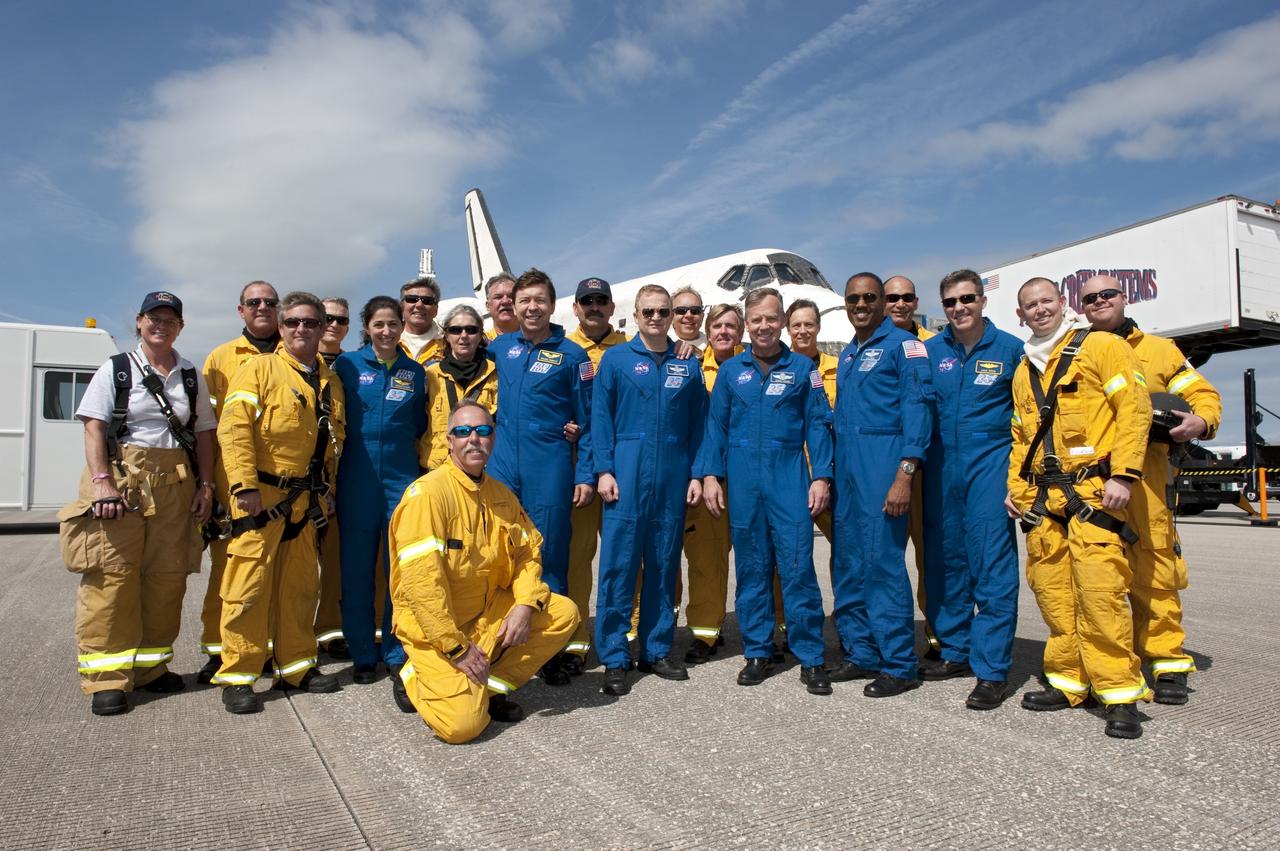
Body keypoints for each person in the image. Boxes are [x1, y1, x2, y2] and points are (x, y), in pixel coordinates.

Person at [1007, 277, 1152, 739]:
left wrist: (1124, 474)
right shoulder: (1024, 368)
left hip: (1093, 494)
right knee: (1054, 595)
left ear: (1062, 304)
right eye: (1030, 305)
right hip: (1044, 501)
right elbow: (1021, 437)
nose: (1039, 310)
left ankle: (1119, 694)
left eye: (1046, 301)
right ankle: (1069, 681)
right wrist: (1016, 489)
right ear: (1021, 314)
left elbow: (1134, 408)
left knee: (1101, 593)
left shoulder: (1102, 347)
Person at [60, 291, 215, 716]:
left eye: (170, 319)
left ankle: (150, 669)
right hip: (122, 481)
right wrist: (102, 483)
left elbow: (203, 433)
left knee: (167, 578)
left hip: (175, 486)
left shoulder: (189, 374)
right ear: (139, 321)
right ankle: (107, 680)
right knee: (113, 578)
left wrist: (206, 486)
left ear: (180, 326)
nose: (161, 325)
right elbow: (93, 428)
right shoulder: (117, 368)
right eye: (154, 318)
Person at [388, 401, 580, 743]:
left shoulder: (501, 495)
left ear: (493, 439)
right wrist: (455, 648)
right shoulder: (428, 495)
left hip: (484, 617)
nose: (473, 439)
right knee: (462, 728)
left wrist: (524, 604)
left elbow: (527, 555)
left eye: (483, 430)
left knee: (562, 613)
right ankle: (414, 675)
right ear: (448, 440)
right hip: (437, 631)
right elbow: (422, 586)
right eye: (463, 432)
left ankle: (488, 690)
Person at [1079, 273, 1220, 706]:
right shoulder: (1076, 352)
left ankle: (1166, 660)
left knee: (1155, 570)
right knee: (1095, 580)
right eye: (1090, 298)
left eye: (1107, 294)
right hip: (1090, 484)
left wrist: (1200, 421)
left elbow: (1200, 394)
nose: (1099, 301)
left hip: (1147, 482)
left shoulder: (1159, 351)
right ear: (1081, 307)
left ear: (1124, 298)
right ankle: (1108, 664)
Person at [213, 291, 347, 713]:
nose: (301, 330)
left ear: (323, 326)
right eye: (292, 323)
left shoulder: (332, 380)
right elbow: (233, 430)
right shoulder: (259, 369)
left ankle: (297, 666)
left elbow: (333, 446)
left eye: (310, 322)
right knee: (248, 588)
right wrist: (243, 487)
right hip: (260, 498)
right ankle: (240, 674)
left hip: (305, 501)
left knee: (301, 586)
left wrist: (327, 492)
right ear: (281, 326)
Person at [697, 288, 833, 696]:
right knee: (753, 569)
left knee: (797, 568)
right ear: (746, 322)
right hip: (742, 480)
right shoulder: (730, 372)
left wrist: (821, 476)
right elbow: (715, 428)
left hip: (788, 475)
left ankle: (810, 655)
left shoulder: (802, 369)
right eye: (756, 319)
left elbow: (817, 425)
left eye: (771, 318)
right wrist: (709, 476)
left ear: (782, 322)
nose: (764, 326)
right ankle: (757, 650)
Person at [594, 286, 707, 696]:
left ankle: (656, 649)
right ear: (636, 315)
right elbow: (600, 419)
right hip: (625, 474)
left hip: (672, 477)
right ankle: (613, 655)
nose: (657, 318)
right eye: (649, 312)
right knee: (618, 568)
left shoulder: (688, 364)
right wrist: (603, 470)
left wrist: (696, 474)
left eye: (665, 311)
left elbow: (700, 425)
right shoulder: (616, 360)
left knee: (662, 566)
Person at [920, 270, 1024, 710]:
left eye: (966, 299)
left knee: (991, 568)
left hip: (990, 465)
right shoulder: (928, 352)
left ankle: (992, 670)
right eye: (950, 302)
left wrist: (1020, 479)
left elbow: (1030, 417)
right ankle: (956, 650)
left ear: (982, 300)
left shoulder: (1011, 351)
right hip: (941, 466)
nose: (959, 308)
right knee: (945, 564)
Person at [829, 272, 934, 698]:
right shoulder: (850, 353)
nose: (861, 305)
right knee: (848, 565)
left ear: (882, 303)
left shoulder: (903, 347)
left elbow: (918, 409)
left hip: (883, 468)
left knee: (882, 566)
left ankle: (899, 663)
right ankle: (861, 652)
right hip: (849, 474)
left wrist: (904, 474)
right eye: (853, 298)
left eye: (869, 298)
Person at [488, 268, 595, 686]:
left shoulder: (572, 356)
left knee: (549, 556)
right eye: (524, 300)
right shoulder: (499, 348)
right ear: (512, 307)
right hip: (501, 466)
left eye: (539, 300)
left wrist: (584, 473)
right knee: (498, 556)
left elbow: (587, 422)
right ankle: (498, 640)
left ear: (552, 306)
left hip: (549, 464)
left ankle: (552, 646)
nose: (532, 307)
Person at [332, 296, 428, 702]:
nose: (386, 331)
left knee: (399, 574)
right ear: (366, 328)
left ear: (402, 326)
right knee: (355, 570)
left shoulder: (416, 372)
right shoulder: (347, 366)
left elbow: (421, 425)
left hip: (401, 482)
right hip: (356, 479)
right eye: (379, 325)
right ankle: (362, 653)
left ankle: (395, 650)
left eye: (393, 324)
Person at [197, 280, 282, 683]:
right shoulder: (220, 359)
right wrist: (212, 485)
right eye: (254, 302)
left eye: (269, 301)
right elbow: (210, 429)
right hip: (235, 484)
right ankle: (220, 651)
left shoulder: (296, 355)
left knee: (279, 575)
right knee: (228, 573)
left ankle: (271, 648)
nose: (262, 307)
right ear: (241, 309)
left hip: (284, 487)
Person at [564, 277, 628, 672]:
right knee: (578, 557)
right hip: (581, 467)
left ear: (611, 307)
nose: (594, 306)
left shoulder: (630, 348)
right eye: (586, 301)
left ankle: (626, 634)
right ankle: (574, 640)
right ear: (575, 308)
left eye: (600, 300)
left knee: (624, 558)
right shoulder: (565, 351)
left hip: (625, 466)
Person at [682, 303, 742, 664]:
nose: (723, 332)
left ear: (741, 332)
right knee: (707, 556)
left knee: (760, 558)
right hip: (711, 475)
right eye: (717, 325)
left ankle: (771, 629)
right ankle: (706, 634)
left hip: (751, 472)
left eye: (731, 326)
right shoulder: (690, 365)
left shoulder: (755, 364)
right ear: (708, 329)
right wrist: (704, 474)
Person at [884, 274, 937, 657]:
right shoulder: (863, 348)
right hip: (880, 473)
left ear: (915, 301)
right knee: (880, 558)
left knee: (933, 556)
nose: (899, 304)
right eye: (891, 298)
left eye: (906, 297)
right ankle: (883, 634)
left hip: (924, 469)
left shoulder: (934, 346)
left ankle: (938, 636)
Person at [315, 296, 351, 659]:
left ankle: (329, 630)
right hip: (300, 475)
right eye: (326, 318)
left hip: (339, 475)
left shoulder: (350, 367)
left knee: (333, 559)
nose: (333, 325)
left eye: (341, 320)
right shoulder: (290, 363)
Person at [424, 304, 498, 469]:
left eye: (471, 330)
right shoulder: (430, 375)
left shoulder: (495, 374)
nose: (463, 335)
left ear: (480, 336)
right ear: (446, 336)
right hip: (439, 469)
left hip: (484, 468)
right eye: (456, 330)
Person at [398, 277, 445, 364]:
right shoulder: (388, 340)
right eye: (412, 299)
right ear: (401, 306)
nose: (419, 305)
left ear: (436, 310)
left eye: (427, 301)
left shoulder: (448, 342)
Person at [671, 286, 708, 351]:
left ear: (702, 316)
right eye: (681, 310)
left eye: (695, 311)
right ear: (671, 316)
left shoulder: (714, 347)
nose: (689, 315)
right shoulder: (660, 346)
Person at [484, 272, 519, 339]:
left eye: (511, 296)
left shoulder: (539, 337)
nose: (505, 301)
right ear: (488, 306)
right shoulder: (479, 345)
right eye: (498, 297)